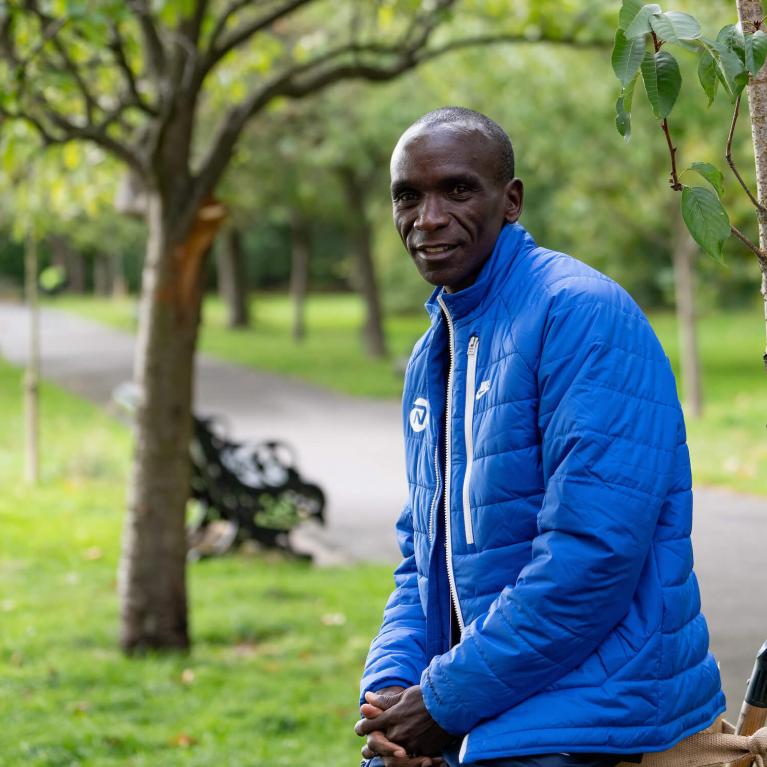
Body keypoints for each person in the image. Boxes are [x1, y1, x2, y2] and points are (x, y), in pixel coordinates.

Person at [354, 107, 725, 767]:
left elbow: (591, 554)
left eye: (457, 190)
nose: (428, 217)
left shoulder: (579, 314)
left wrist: (440, 701)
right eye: (407, 195)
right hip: (490, 716)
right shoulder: (432, 351)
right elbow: (422, 555)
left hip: (594, 724)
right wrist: (389, 692)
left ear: (511, 200)